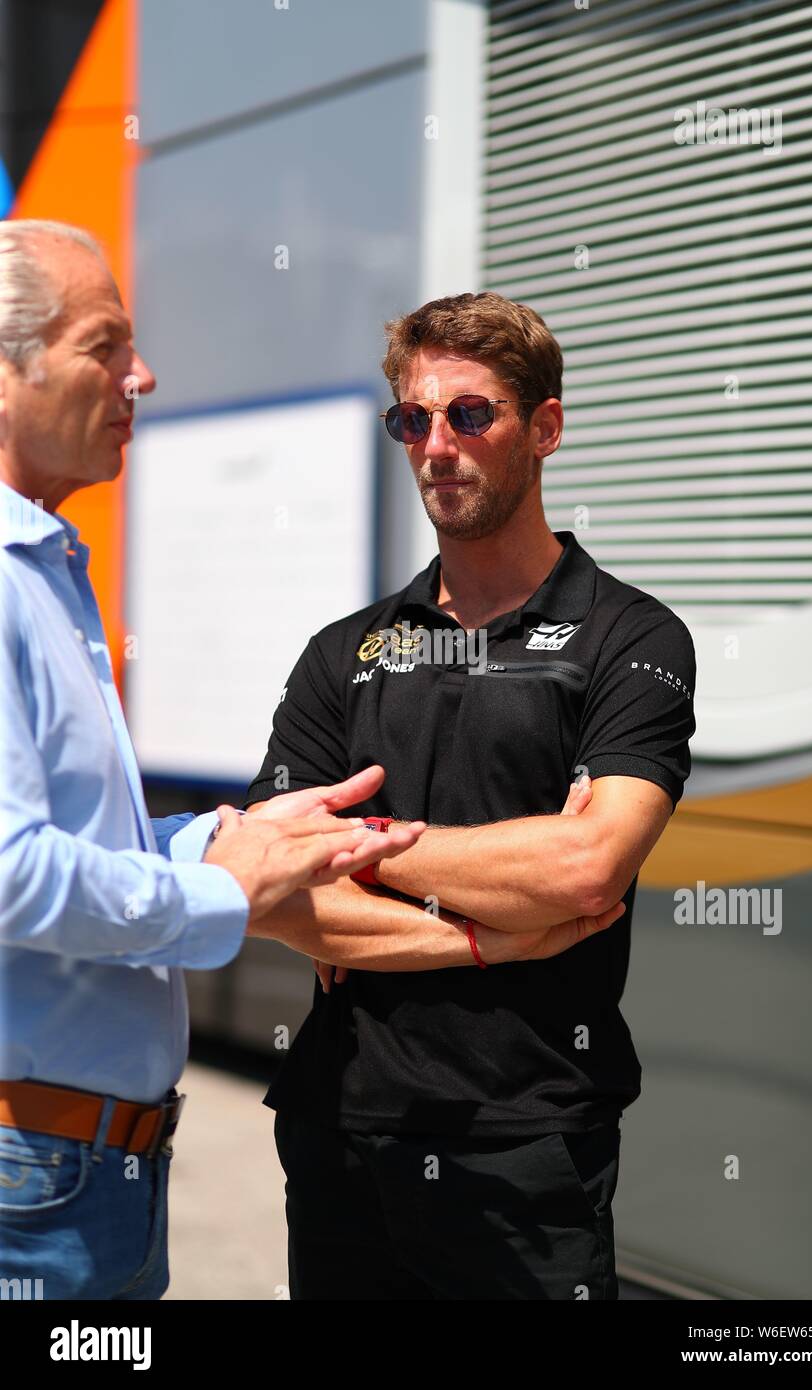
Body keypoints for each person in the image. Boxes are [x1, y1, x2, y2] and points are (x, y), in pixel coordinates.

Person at [0, 219, 431, 1301]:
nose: (139, 373)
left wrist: (224, 838)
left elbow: (65, 840)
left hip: (79, 1172)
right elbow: (11, 875)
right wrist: (219, 892)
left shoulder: (42, 563)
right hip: (35, 1181)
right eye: (106, 344)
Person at [246, 291, 697, 1300]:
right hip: (337, 1130)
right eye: (412, 418)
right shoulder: (343, 651)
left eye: (469, 414)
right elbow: (266, 886)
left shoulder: (630, 640)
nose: (435, 445)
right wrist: (490, 933)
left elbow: (584, 867)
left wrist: (349, 843)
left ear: (543, 427)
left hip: (522, 1143)